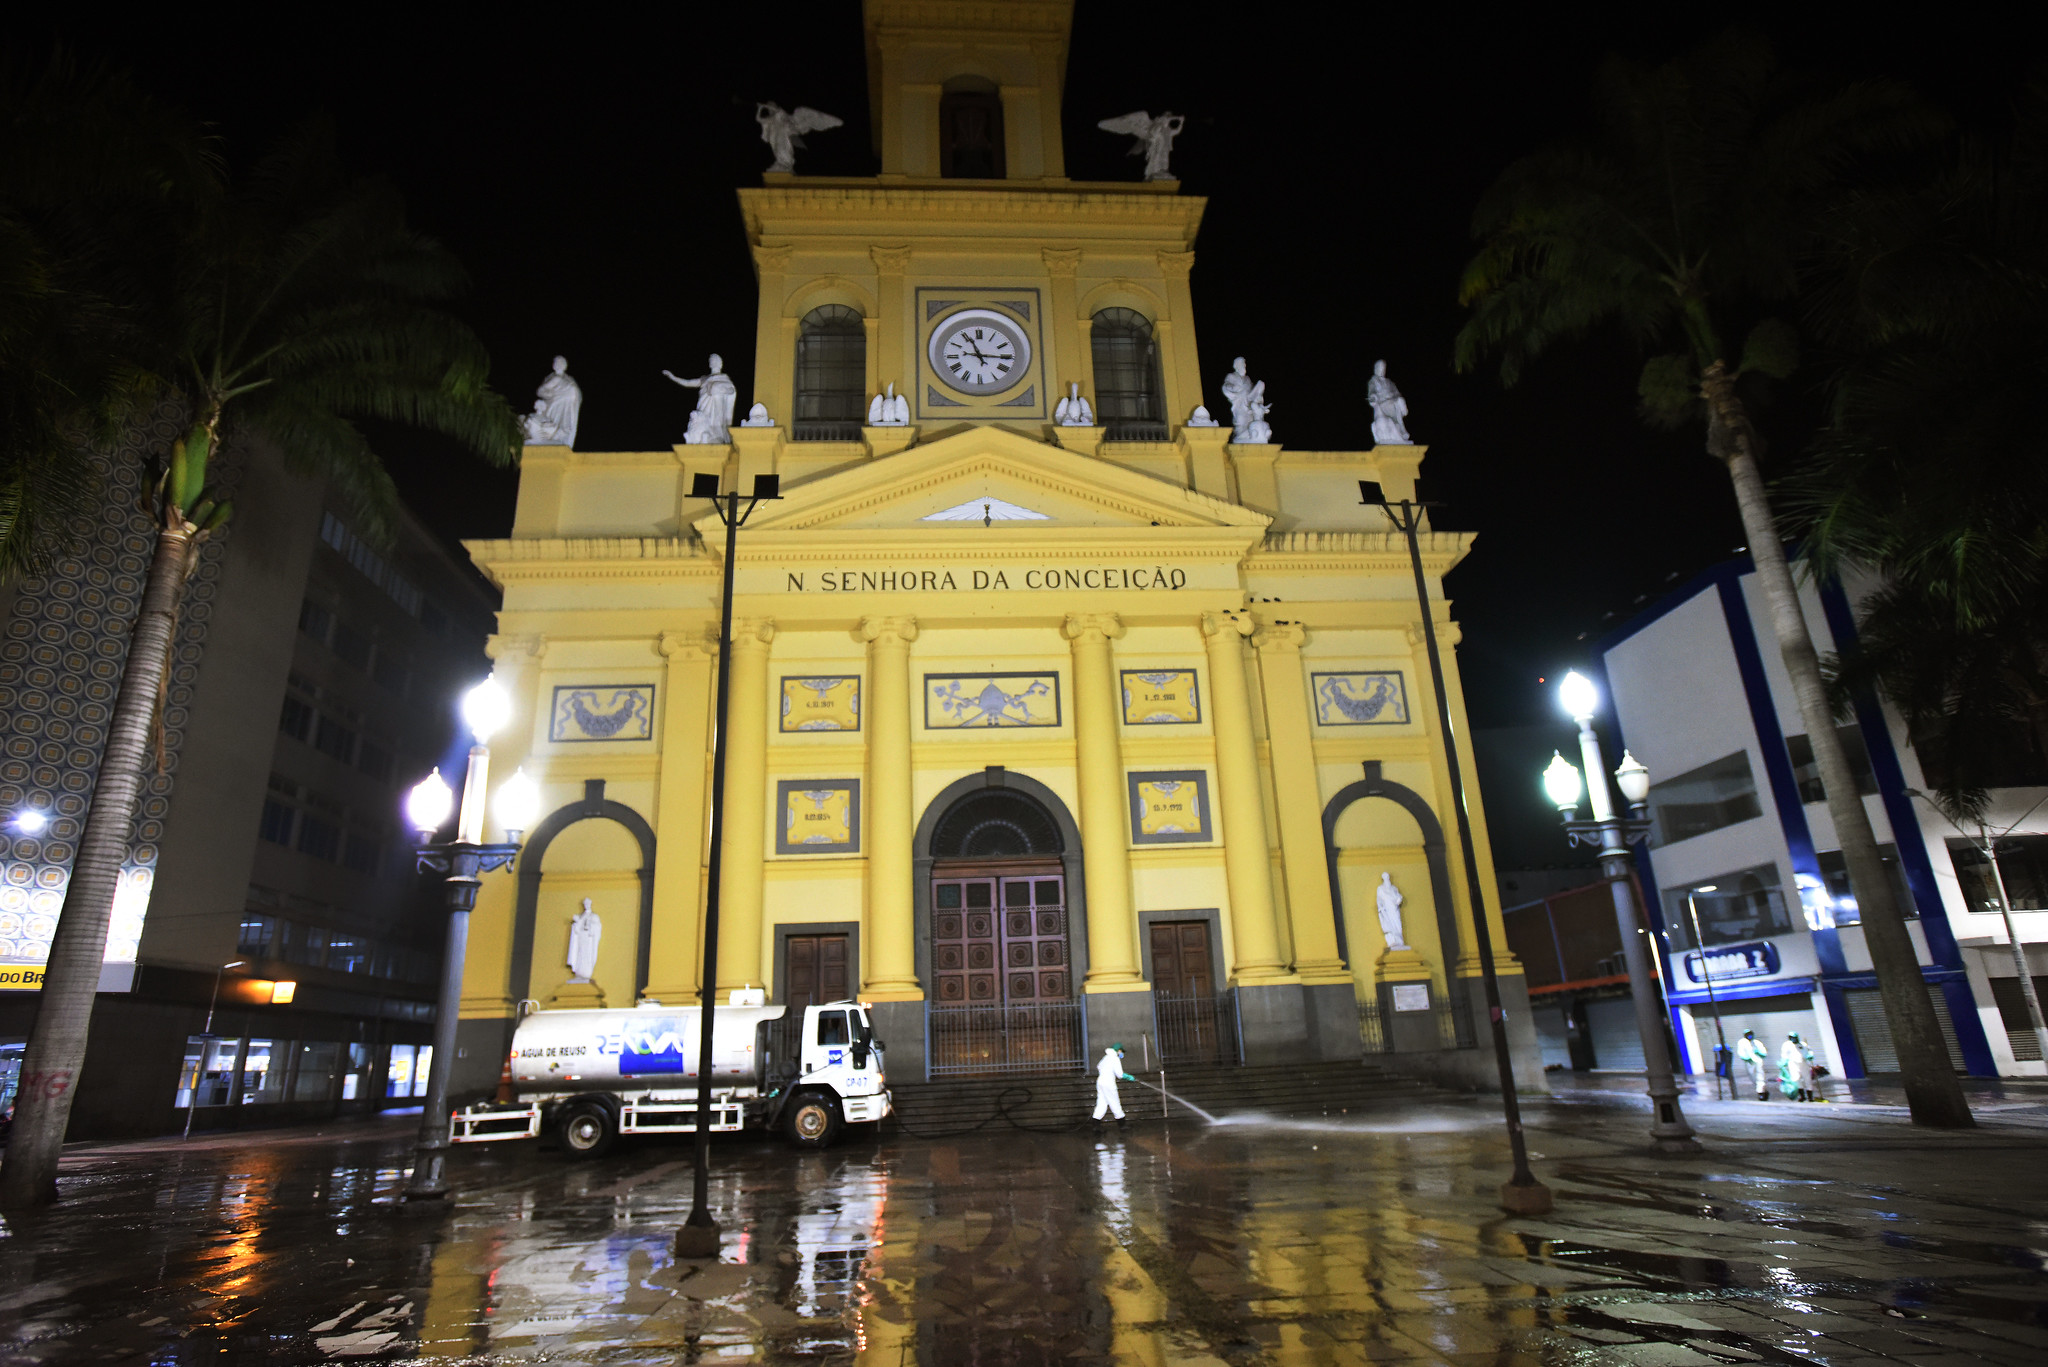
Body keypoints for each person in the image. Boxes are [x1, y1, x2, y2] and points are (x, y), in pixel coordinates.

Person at [1093, 1043, 1134, 1130]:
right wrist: (1128, 1077)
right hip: (1108, 1083)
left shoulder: (1106, 1057)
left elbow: (1098, 1066)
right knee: (1115, 1102)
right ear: (1118, 1050)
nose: (1122, 1054)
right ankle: (1122, 1125)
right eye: (1121, 1052)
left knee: (1101, 1103)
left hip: (1100, 1082)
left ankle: (1096, 1126)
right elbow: (1120, 1074)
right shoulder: (1115, 1058)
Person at [1780, 1032, 1817, 1102]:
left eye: (1795, 1037)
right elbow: (1784, 1054)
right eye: (1791, 1037)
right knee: (1796, 1079)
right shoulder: (1786, 1045)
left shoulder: (1803, 1044)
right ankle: (1802, 1096)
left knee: (1807, 1079)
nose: (1793, 1039)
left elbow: (1809, 1051)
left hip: (1803, 1063)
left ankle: (1810, 1097)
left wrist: (1810, 1056)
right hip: (1793, 1064)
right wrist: (1783, 1061)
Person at [1735, 1029, 1769, 1100]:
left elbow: (1764, 1053)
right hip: (1750, 1063)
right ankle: (1763, 1091)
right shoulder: (1742, 1042)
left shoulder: (1757, 1043)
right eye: (1747, 1034)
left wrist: (1759, 1053)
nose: (1749, 1036)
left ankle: (1761, 1094)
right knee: (1753, 1077)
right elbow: (1741, 1053)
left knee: (1760, 1077)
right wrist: (1747, 1059)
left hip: (1758, 1062)